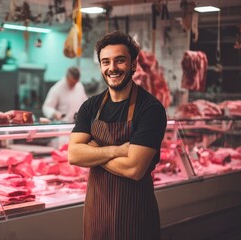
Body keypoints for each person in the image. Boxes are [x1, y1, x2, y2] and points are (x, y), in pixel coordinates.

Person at [68, 31, 167, 239]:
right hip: (97, 214)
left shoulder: (150, 109)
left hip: (136, 216)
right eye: (106, 62)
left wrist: (94, 152)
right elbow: (74, 155)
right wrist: (117, 150)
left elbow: (134, 168)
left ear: (133, 64)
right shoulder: (90, 107)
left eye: (119, 60)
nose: (112, 68)